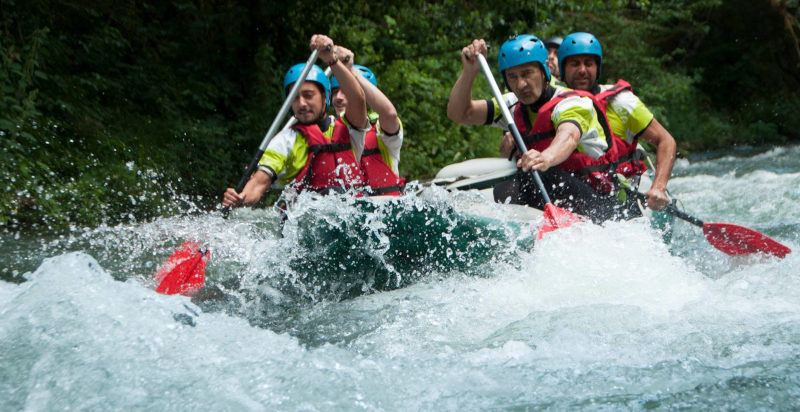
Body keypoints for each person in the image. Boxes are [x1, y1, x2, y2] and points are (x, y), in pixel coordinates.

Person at [447, 35, 644, 222]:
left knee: (542, 175)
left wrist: (545, 157)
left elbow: (569, 136)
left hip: (603, 202)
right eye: (512, 77)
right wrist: (469, 72)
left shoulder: (573, 102)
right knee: (505, 190)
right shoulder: (511, 103)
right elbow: (461, 114)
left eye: (527, 74)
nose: (521, 84)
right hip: (554, 193)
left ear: (543, 71)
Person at [222, 34, 369, 209]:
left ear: (325, 97)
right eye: (295, 97)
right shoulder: (285, 141)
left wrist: (332, 60)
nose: (301, 104)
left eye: (308, 95)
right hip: (302, 226)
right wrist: (241, 198)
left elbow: (358, 100)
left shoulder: (349, 128)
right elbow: (258, 184)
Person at [557, 32, 676, 210]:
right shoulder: (553, 104)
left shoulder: (622, 102)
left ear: (598, 68)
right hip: (576, 193)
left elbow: (666, 140)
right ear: (562, 70)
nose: (582, 70)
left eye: (589, 63)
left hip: (620, 191)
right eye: (574, 64)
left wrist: (659, 187)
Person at [328, 48, 405, 195]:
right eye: (335, 91)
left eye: (346, 91)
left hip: (384, 209)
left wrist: (351, 72)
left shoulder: (381, 130)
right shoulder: (328, 129)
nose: (338, 97)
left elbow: (389, 114)